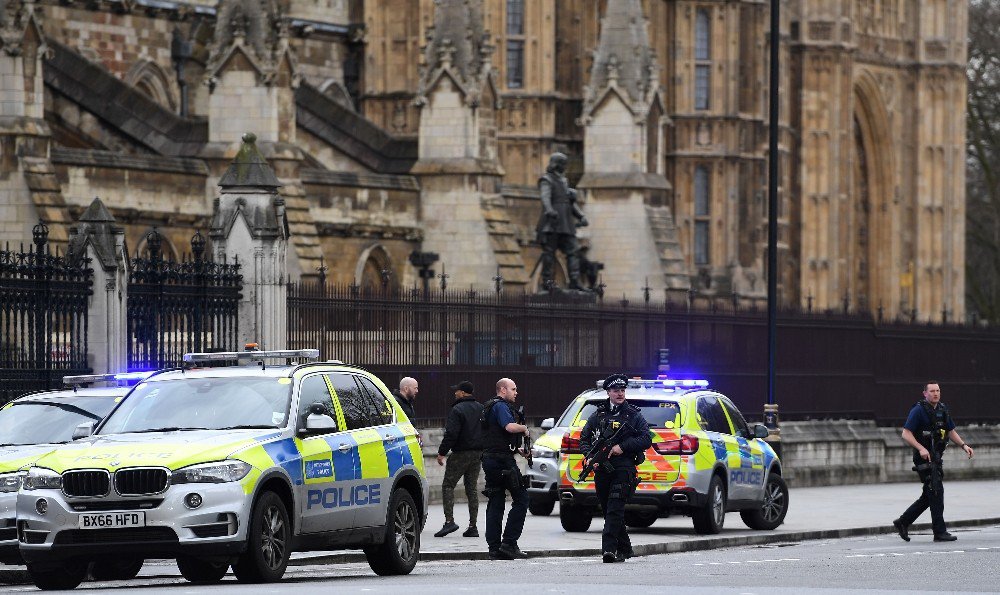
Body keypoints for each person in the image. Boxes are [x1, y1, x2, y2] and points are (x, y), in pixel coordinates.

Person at [580, 373, 651, 563]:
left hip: (624, 468)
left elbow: (646, 439)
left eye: (622, 390)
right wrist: (589, 457)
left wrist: (622, 447)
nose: (619, 394)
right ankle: (626, 548)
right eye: (615, 390)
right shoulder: (599, 414)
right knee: (607, 509)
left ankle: (609, 550)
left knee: (614, 508)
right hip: (602, 468)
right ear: (608, 392)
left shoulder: (634, 415)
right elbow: (584, 438)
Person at [893, 381, 974, 542]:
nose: (935, 393)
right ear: (925, 393)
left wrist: (964, 445)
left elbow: (950, 431)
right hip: (923, 458)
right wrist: (921, 448)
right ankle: (939, 531)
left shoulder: (942, 409)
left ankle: (903, 521)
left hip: (936, 457)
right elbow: (906, 433)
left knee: (930, 494)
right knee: (936, 491)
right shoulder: (918, 410)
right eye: (932, 391)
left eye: (937, 390)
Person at [480, 377, 530, 560]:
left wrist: (519, 450)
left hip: (490, 459)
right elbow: (509, 427)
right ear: (502, 390)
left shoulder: (490, 406)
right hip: (503, 462)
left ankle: (494, 548)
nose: (516, 393)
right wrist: (524, 429)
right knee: (522, 498)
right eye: (513, 389)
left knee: (496, 501)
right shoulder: (500, 406)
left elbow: (496, 437)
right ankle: (509, 543)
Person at [434, 380, 484, 538]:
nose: (455, 393)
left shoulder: (457, 409)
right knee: (472, 489)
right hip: (477, 454)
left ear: (463, 393)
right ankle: (473, 526)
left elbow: (451, 434)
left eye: (457, 391)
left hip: (460, 454)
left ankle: (449, 521)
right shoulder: (481, 408)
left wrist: (442, 452)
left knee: (448, 485)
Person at [536, 152, 588, 291]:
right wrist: (549, 210)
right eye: (563, 164)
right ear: (556, 164)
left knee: (573, 251)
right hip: (551, 223)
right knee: (549, 253)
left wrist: (581, 216)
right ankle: (548, 282)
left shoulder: (564, 181)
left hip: (566, 223)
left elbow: (570, 203)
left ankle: (575, 282)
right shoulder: (546, 180)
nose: (565, 167)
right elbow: (545, 197)